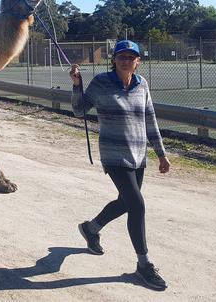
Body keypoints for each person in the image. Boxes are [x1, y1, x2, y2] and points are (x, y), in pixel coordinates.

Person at [70, 39, 171, 291]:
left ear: (138, 61)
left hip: (138, 154)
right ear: (113, 59)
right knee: (137, 205)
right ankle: (143, 264)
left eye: (131, 57)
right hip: (114, 155)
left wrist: (161, 153)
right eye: (121, 56)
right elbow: (79, 110)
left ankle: (91, 228)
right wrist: (76, 86)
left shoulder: (142, 84)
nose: (126, 60)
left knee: (126, 202)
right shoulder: (101, 83)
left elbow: (150, 119)